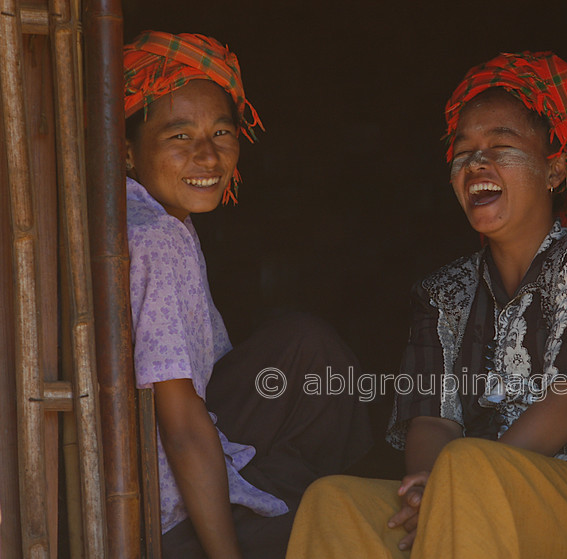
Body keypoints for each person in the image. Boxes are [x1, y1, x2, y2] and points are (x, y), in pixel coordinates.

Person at [285, 52, 567, 559]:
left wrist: (461, 486)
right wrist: (430, 492)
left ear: (555, 170)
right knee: (333, 503)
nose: (476, 164)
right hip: (462, 494)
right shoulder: (443, 293)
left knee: (469, 467)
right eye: (464, 153)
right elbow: (433, 420)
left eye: (501, 146)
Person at [123, 31, 372, 558]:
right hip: (165, 507)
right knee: (348, 533)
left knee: (304, 344)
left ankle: (293, 489)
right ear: (127, 150)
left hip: (171, 451)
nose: (208, 156)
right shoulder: (158, 237)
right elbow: (183, 424)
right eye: (179, 136)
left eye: (221, 133)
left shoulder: (142, 213)